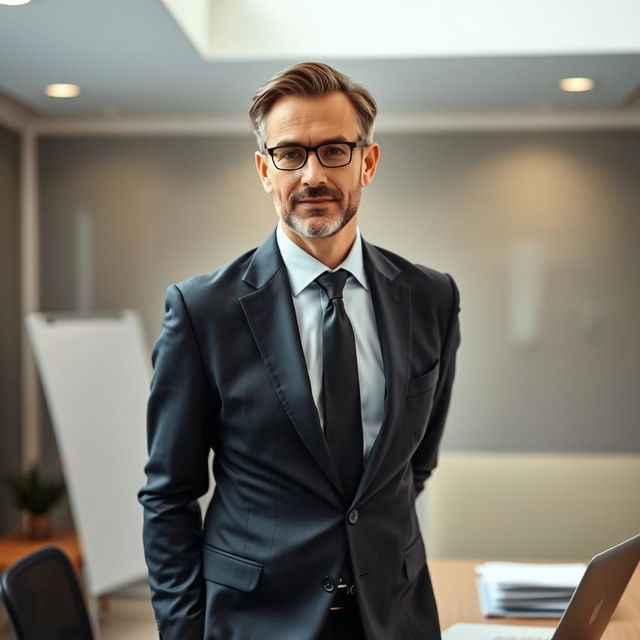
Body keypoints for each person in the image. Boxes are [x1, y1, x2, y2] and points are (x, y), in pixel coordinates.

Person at [138, 61, 461, 640]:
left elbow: (415, 463)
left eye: (335, 150)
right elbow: (169, 497)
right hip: (255, 622)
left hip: (395, 615)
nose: (312, 174)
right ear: (265, 170)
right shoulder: (201, 310)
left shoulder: (431, 297)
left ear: (369, 161)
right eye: (290, 154)